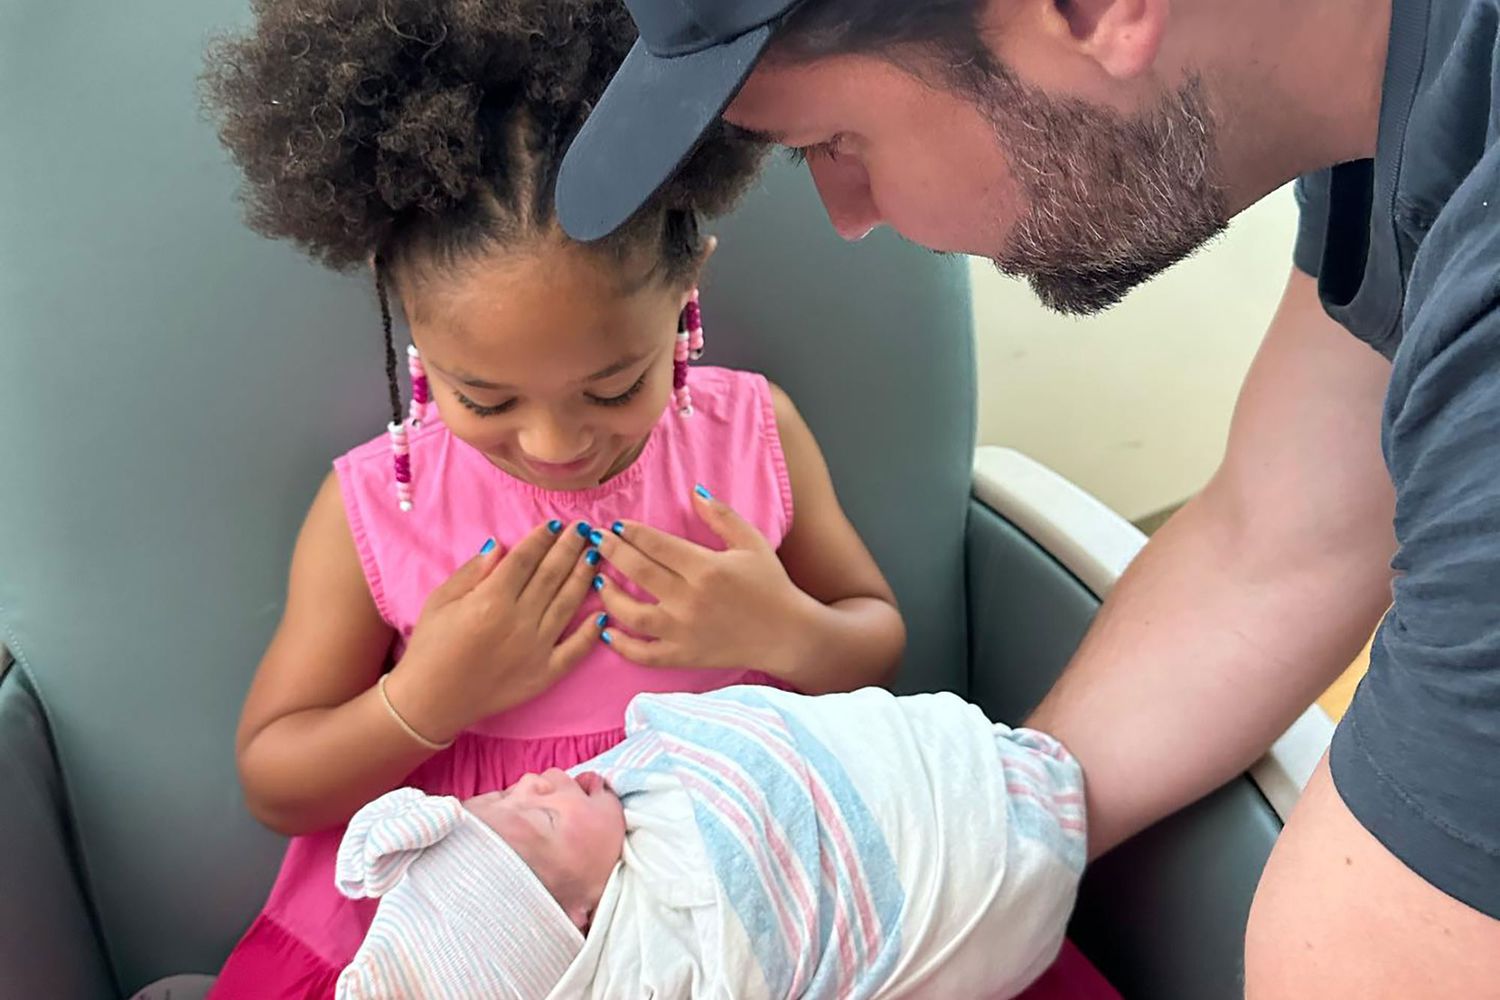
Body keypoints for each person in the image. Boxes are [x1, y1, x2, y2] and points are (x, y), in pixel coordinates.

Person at [553, 0, 1500, 996]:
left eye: (836, 141)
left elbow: (1364, 960)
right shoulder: (1393, 117)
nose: (852, 214)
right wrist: (958, 835)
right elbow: (1279, 537)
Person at [198, 2, 907, 995]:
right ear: (411, 326)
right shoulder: (378, 504)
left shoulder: (753, 434)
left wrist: (783, 628)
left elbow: (875, 635)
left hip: (745, 885)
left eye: (615, 386)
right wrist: (427, 698)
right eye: (483, 397)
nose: (556, 444)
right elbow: (278, 778)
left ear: (685, 291)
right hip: (484, 926)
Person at [331, 685, 1115, 1000]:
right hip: (981, 875)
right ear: (578, 919)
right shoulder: (667, 956)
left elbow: (773, 761)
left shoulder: (636, 796)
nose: (539, 782)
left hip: (946, 776)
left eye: (502, 794)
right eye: (536, 820)